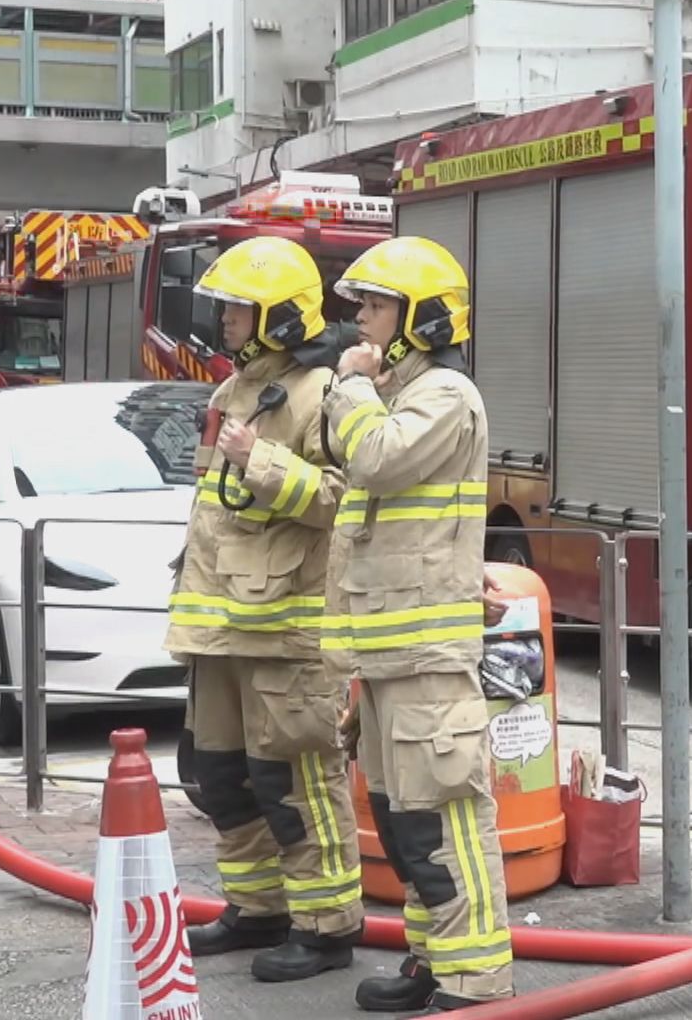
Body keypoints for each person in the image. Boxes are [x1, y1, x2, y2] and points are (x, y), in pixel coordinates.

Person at [321, 236, 513, 1013]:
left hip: (427, 658)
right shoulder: (405, 394)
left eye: (374, 306)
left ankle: (476, 984)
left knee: (447, 824)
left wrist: (349, 386)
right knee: (407, 829)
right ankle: (432, 962)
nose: (361, 321)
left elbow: (376, 458)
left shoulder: (442, 396)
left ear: (421, 319)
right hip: (392, 651)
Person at [166, 235, 365, 982]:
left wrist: (263, 460)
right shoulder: (232, 391)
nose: (224, 321)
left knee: (294, 782)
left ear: (278, 315)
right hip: (220, 621)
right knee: (219, 776)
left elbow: (344, 502)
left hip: (285, 626)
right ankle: (257, 909)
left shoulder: (323, 394)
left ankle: (325, 926)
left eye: (239, 309)